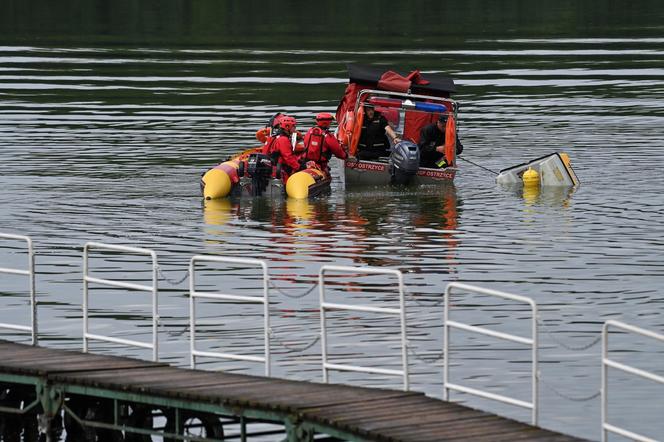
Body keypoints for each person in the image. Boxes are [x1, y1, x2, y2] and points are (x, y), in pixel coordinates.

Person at [262, 115, 301, 183]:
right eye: (294, 127)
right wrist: (300, 167)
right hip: (279, 171)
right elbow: (288, 158)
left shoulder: (272, 137)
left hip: (269, 168)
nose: (295, 129)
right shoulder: (283, 140)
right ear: (287, 127)